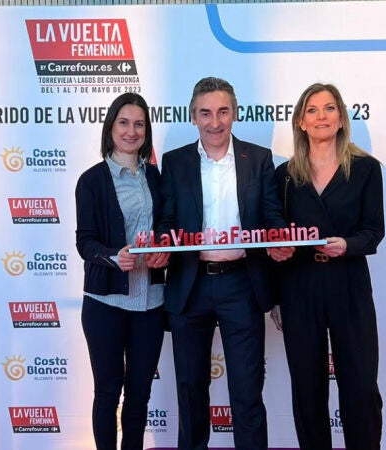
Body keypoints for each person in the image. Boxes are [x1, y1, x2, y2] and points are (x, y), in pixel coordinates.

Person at [157, 76, 292, 450]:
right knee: (190, 389)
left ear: (235, 113)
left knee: (247, 392)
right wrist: (163, 243)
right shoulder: (175, 162)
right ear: (193, 116)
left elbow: (271, 215)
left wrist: (279, 239)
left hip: (241, 283)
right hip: (190, 283)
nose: (214, 122)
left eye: (222, 112)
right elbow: (166, 220)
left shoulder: (258, 158)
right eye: (205, 113)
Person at [270, 83, 385, 450]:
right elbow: (276, 240)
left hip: (348, 282)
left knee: (361, 386)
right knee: (307, 388)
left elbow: (374, 232)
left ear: (341, 118)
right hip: (299, 286)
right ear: (300, 122)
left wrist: (347, 245)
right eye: (313, 110)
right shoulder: (285, 176)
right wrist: (276, 296)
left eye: (330, 108)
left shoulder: (366, 169)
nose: (322, 116)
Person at [75, 92, 169, 450]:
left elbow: (167, 226)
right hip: (106, 303)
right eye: (124, 123)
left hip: (151, 302)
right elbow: (85, 242)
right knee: (107, 392)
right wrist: (114, 256)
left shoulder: (156, 177)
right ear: (111, 127)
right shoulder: (91, 180)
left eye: (139, 124)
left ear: (147, 130)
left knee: (139, 394)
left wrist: (164, 250)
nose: (131, 131)